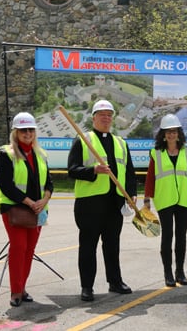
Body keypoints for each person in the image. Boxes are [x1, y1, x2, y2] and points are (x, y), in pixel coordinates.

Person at [67, 99, 137, 302]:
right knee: (88, 246)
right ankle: (87, 287)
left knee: (112, 245)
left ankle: (115, 281)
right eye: (102, 115)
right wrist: (93, 170)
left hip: (115, 203)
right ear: (94, 118)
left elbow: (130, 172)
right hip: (89, 204)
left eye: (109, 115)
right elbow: (72, 170)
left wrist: (131, 193)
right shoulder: (83, 139)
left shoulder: (121, 143)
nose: (106, 118)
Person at [0, 112, 53, 307]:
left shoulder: (41, 154)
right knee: (19, 247)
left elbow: (49, 184)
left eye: (30, 129)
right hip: (15, 210)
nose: (27, 133)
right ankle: (15, 292)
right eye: (23, 130)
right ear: (16, 132)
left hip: (37, 210)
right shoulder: (6, 154)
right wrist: (30, 202)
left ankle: (22, 288)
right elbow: (6, 185)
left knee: (29, 250)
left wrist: (44, 200)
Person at [144, 113, 187, 287]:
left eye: (174, 131)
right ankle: (168, 273)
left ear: (179, 133)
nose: (171, 134)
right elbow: (150, 177)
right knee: (167, 237)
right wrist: (147, 199)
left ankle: (180, 272)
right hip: (164, 200)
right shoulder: (156, 153)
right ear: (163, 134)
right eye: (168, 131)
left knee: (181, 237)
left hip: (184, 200)